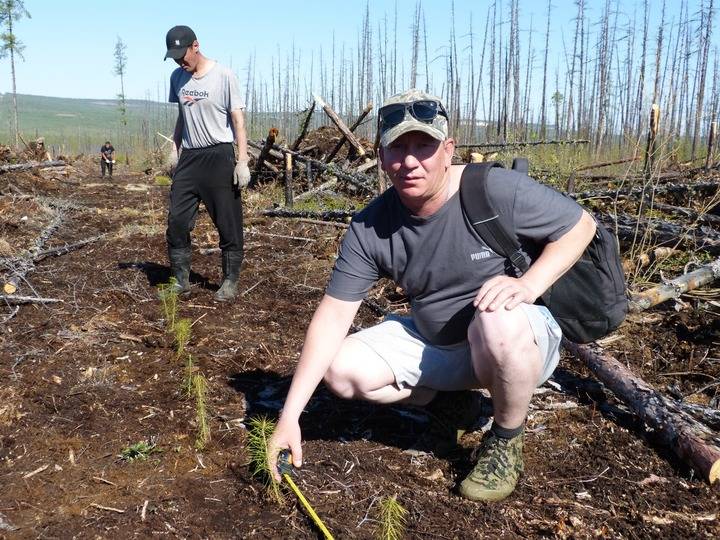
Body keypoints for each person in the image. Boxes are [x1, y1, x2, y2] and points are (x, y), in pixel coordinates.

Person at [268, 89, 597, 502]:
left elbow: (580, 225)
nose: (409, 161)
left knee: (496, 319)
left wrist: (528, 285)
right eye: (397, 147)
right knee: (341, 367)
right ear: (381, 155)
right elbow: (333, 316)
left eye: (423, 145)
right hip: (439, 345)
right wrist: (289, 416)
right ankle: (453, 404)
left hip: (518, 340)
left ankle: (506, 439)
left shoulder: (492, 189)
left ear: (448, 149)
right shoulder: (371, 226)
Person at [163, 25, 251, 301]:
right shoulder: (177, 77)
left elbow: (238, 120)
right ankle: (181, 281)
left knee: (228, 222)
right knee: (177, 220)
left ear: (196, 46)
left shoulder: (223, 76)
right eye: (175, 57)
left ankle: (229, 282)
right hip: (190, 158)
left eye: (183, 55)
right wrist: (174, 149)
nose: (180, 61)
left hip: (219, 156)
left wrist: (242, 160)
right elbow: (182, 117)